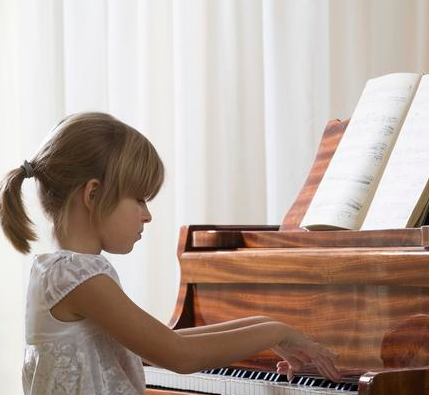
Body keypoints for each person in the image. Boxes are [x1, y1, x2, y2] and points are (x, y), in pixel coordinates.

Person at [0, 112, 341, 394]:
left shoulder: (60, 272)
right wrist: (276, 333)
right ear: (93, 194)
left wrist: (268, 326)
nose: (147, 214)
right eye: (139, 199)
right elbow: (178, 355)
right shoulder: (78, 277)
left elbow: (161, 341)